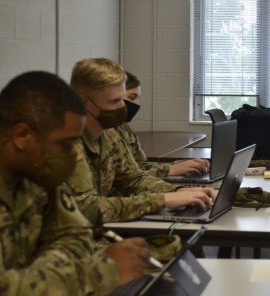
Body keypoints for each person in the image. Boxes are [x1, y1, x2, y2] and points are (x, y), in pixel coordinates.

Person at [0, 71, 150, 295]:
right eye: (65, 144)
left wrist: (47, 276)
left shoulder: (36, 164)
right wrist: (100, 272)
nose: (74, 155)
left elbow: (76, 234)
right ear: (21, 135)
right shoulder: (32, 163)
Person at [66, 58, 216, 232]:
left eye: (123, 99)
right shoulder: (64, 144)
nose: (123, 106)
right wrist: (163, 200)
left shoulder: (109, 134)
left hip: (98, 231)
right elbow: (86, 208)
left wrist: (179, 191)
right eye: (114, 101)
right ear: (84, 101)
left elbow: (133, 178)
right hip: (64, 245)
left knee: (184, 233)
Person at [118, 71, 210, 177]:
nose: (137, 104)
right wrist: (171, 171)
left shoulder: (124, 129)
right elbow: (126, 179)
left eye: (138, 98)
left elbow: (140, 167)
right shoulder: (104, 133)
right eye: (132, 97)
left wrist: (179, 166)